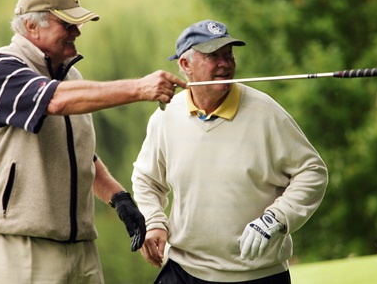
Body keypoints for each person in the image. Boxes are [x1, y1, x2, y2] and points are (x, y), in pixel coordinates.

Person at [0, 0, 186, 284]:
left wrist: (119, 198)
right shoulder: (0, 68)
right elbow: (53, 101)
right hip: (16, 243)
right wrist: (139, 88)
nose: (77, 32)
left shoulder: (71, 79)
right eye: (67, 24)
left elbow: (79, 153)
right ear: (32, 27)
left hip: (81, 247)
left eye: (77, 24)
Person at [131, 20, 329, 283]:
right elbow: (146, 179)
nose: (225, 63)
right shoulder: (167, 115)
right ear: (185, 65)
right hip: (183, 270)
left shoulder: (265, 113)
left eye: (228, 54)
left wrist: (276, 219)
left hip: (257, 275)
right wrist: (154, 220)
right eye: (213, 55)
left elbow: (312, 172)